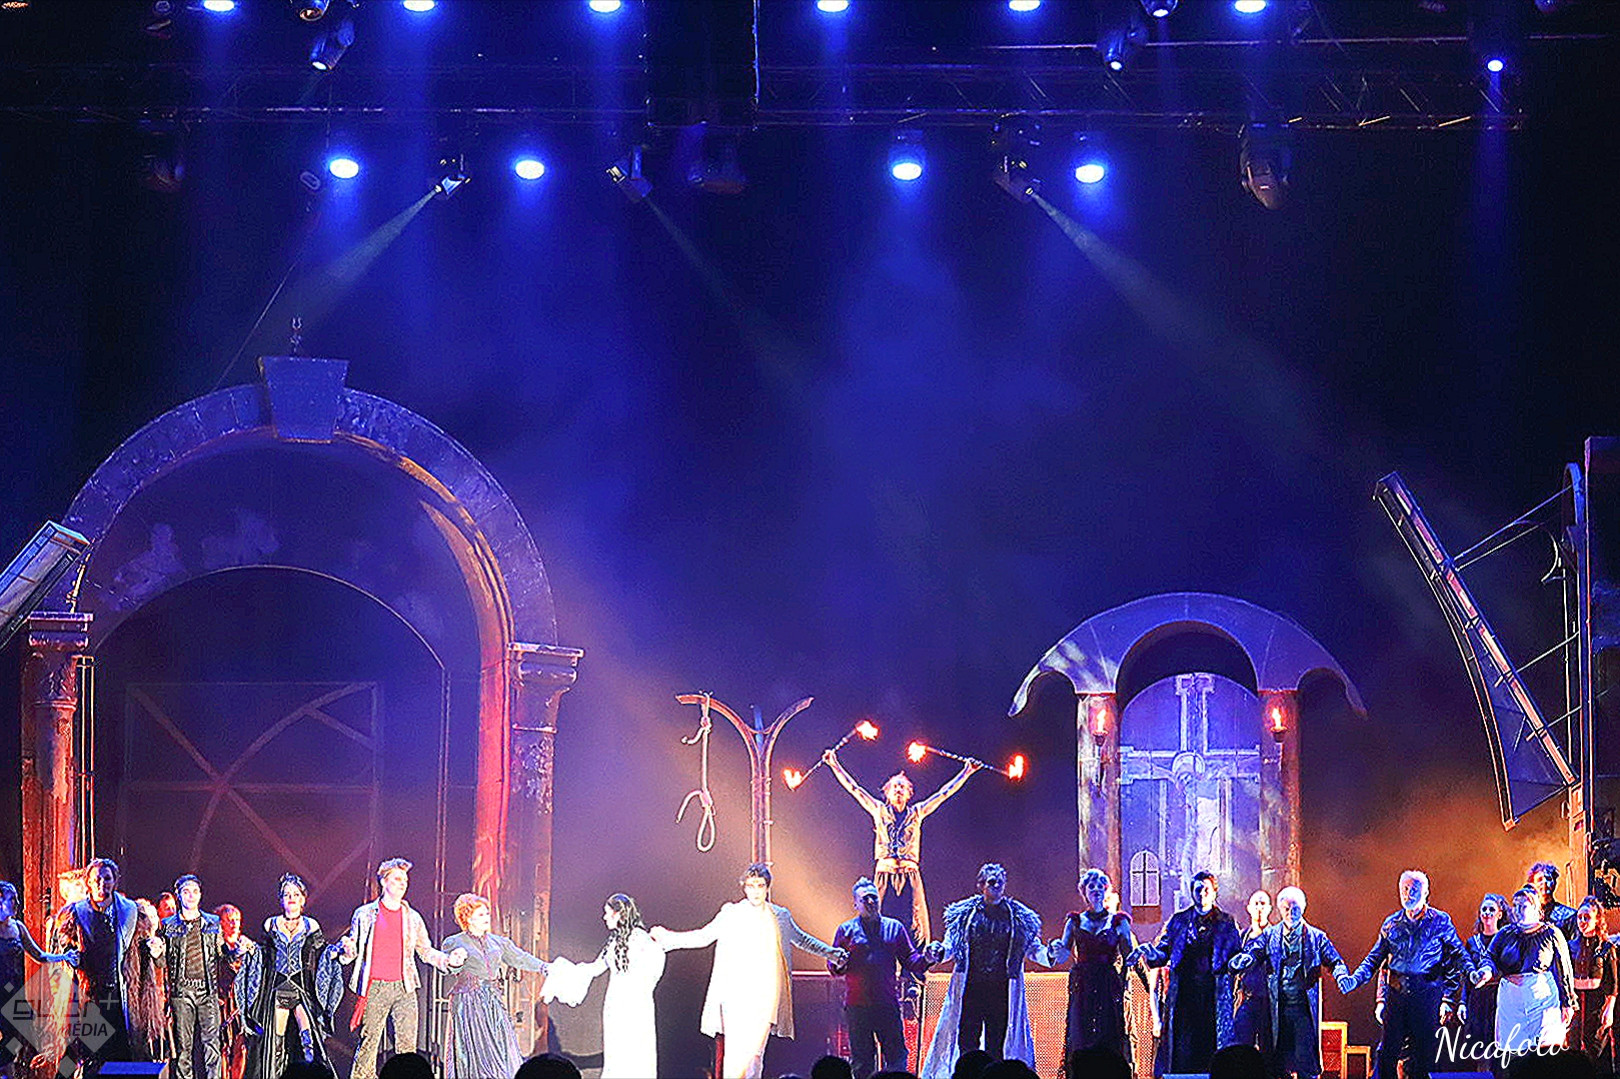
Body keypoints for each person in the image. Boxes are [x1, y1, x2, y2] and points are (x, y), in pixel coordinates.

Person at [651, 863, 846, 1079]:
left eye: (760, 885)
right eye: (751, 885)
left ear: (767, 888)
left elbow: (802, 939)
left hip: (765, 996)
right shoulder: (732, 913)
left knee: (755, 1054)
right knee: (736, 1053)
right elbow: (704, 936)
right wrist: (669, 939)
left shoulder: (779, 916)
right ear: (744, 887)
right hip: (736, 994)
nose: (756, 891)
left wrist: (832, 953)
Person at [823, 747, 981, 987]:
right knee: (876, 919)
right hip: (884, 874)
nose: (898, 789)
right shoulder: (878, 810)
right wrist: (834, 763)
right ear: (887, 792)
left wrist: (966, 772)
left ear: (909, 793)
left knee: (912, 923)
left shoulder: (917, 812)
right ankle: (878, 972)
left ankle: (912, 978)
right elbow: (854, 789)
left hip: (909, 874)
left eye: (903, 787)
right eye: (894, 786)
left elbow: (944, 793)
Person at [1341, 869, 1480, 1079]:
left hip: (1426, 993)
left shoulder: (1440, 921)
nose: (1408, 893)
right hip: (1397, 994)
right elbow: (1374, 959)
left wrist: (1470, 973)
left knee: (1424, 1053)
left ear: (1426, 892)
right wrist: (1355, 980)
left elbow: (1458, 953)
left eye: (1414, 889)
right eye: (1404, 889)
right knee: (1388, 1051)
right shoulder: (1391, 924)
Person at [338, 858, 465, 1079]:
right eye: (397, 879)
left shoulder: (412, 918)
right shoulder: (365, 914)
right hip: (375, 987)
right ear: (383, 881)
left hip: (405, 987)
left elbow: (425, 951)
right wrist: (347, 950)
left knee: (407, 1047)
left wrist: (448, 960)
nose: (402, 883)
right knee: (369, 1043)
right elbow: (352, 953)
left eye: (405, 880)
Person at [919, 862, 1049, 1079]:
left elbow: (1033, 947)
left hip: (1001, 989)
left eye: (1000, 882)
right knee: (967, 1040)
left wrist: (1051, 954)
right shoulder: (965, 915)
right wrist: (938, 951)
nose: (997, 886)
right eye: (992, 881)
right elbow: (952, 945)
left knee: (997, 1041)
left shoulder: (1017, 917)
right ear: (981, 885)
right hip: (971, 987)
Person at [1227, 886, 1350, 1079]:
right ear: (1279, 909)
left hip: (1302, 1009)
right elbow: (1256, 951)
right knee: (1277, 1062)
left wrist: (1341, 975)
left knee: (1305, 1061)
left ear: (1303, 908)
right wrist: (1245, 959)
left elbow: (1334, 960)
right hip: (1277, 1009)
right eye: (1286, 908)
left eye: (1295, 908)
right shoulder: (1271, 935)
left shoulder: (1316, 937)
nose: (1291, 913)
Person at [1129, 869, 1242, 1077]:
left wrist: (1241, 961)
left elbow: (1236, 957)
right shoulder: (1178, 921)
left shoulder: (1226, 922)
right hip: (1184, 997)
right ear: (1192, 893)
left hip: (1213, 996)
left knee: (1213, 1049)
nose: (1202, 893)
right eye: (1198, 889)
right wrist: (1149, 952)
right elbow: (1162, 953)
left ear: (1214, 892)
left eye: (1206, 889)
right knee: (1183, 1050)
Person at [544, 893, 667, 1079]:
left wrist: (640, 991)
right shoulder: (614, 941)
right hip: (615, 1005)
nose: (604, 917)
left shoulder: (644, 940)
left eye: (607, 913)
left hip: (636, 1004)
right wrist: (559, 973)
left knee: (636, 1050)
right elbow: (594, 968)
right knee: (616, 1052)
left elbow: (655, 967)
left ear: (619, 914)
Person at [237, 873, 343, 1079]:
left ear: (303, 899)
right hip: (277, 991)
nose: (291, 898)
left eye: (296, 894)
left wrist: (337, 952)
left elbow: (322, 951)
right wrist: (250, 948)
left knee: (309, 1040)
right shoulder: (271, 924)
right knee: (275, 1042)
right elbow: (263, 954)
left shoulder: (311, 925)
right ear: (281, 899)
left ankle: (311, 1076)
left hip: (301, 990)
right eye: (287, 894)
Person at [827, 877, 932, 1078]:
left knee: (896, 1057)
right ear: (855, 904)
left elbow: (910, 959)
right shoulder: (846, 930)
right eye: (865, 899)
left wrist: (927, 958)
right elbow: (833, 966)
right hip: (858, 1006)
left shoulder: (894, 927)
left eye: (874, 898)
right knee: (862, 1061)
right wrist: (838, 964)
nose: (871, 902)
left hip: (887, 1003)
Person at [439, 892, 548, 1079]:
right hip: (469, 1001)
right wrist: (454, 961)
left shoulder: (498, 942)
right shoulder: (455, 942)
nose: (486, 917)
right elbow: (448, 967)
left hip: (493, 1000)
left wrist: (544, 967)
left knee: (501, 1046)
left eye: (487, 913)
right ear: (468, 918)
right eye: (481, 914)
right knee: (476, 1050)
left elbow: (520, 958)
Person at [1050, 868, 1136, 1070]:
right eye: (1091, 886)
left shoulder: (1119, 921)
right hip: (1083, 985)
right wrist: (1054, 948)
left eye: (1100, 886)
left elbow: (1129, 957)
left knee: (1108, 1032)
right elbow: (1063, 955)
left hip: (1108, 985)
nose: (1096, 889)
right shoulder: (1075, 921)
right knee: (1081, 1033)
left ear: (1106, 890)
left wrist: (1144, 954)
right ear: (1084, 892)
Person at [1476, 886, 1574, 1061]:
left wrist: (1568, 1002)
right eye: (1515, 905)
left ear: (1536, 907)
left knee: (1543, 1052)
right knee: (1514, 1053)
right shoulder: (1505, 933)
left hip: (1541, 999)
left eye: (1523, 906)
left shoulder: (1552, 933)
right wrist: (1486, 970)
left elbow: (1564, 970)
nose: (1518, 910)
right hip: (1512, 1000)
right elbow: (1489, 957)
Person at [0, 879, 76, 1077]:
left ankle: (8, 1069)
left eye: (17, 899)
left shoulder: (18, 927)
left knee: (22, 1035)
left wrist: (64, 957)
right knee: (12, 1036)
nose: (17, 903)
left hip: (15, 993)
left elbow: (40, 955)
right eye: (12, 899)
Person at [159, 874, 227, 1079]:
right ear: (178, 895)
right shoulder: (168, 924)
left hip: (207, 991)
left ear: (200, 895)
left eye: (195, 891)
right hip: (182, 992)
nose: (191, 896)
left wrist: (236, 952)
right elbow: (162, 962)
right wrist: (155, 953)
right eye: (186, 892)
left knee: (212, 1045)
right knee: (183, 1047)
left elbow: (221, 953)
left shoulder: (212, 922)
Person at [1455, 892, 1507, 1065]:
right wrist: (1463, 1002)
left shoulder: (1505, 939)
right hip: (1477, 999)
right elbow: (1466, 975)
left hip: (1499, 997)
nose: (1487, 913)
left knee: (1499, 1046)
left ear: (1500, 914)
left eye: (1491, 909)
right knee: (1478, 1048)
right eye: (1484, 909)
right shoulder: (1472, 943)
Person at [1567, 896, 1615, 1075]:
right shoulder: (1571, 946)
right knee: (1574, 1044)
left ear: (1597, 919)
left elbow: (1613, 982)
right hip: (1576, 1002)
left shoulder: (1606, 947)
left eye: (1586, 917)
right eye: (1579, 917)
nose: (1582, 921)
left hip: (1597, 1003)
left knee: (1596, 1046)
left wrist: (1609, 1009)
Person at [214, 903, 257, 1079]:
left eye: (236, 920)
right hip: (222, 1004)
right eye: (229, 920)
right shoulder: (216, 946)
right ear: (221, 923)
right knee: (222, 1047)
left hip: (241, 1005)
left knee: (241, 1047)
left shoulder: (246, 945)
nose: (233, 923)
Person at [1233, 890, 1273, 1055]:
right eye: (1256, 904)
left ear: (1269, 908)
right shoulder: (1242, 938)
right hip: (1248, 1001)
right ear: (1249, 908)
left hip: (1270, 1004)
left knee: (1269, 1051)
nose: (1259, 908)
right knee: (1241, 1048)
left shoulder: (1277, 937)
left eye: (1263, 904)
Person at [1529, 862, 1579, 943]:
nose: (1544, 883)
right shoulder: (1525, 916)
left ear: (1555, 883)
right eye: (1539, 880)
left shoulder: (1569, 915)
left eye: (1548, 879)